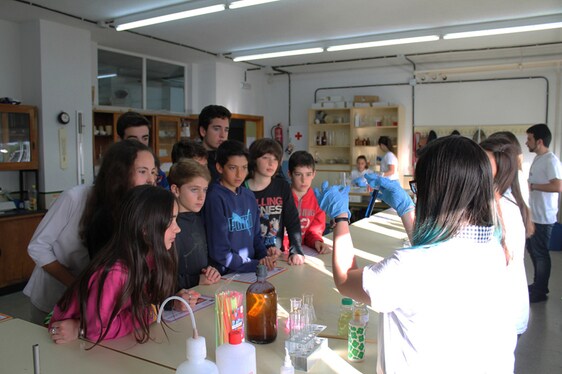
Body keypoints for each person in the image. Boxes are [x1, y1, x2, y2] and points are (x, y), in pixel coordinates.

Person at [317, 135, 516, 373]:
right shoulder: (492, 249)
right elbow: (437, 252)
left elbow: (346, 280)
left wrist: (340, 218)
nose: (417, 195)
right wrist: (405, 208)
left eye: (418, 187)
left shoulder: (407, 268)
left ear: (436, 194)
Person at [24, 140, 158, 325]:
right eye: (142, 171)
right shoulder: (75, 197)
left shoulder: (133, 207)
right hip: (54, 296)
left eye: (153, 172)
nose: (151, 180)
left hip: (94, 300)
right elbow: (37, 247)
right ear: (120, 173)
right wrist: (76, 284)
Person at [48, 185, 192, 345]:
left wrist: (168, 303)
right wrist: (148, 314)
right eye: (170, 220)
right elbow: (98, 330)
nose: (177, 229)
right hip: (70, 343)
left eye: (176, 219)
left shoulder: (152, 259)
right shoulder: (116, 273)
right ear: (144, 228)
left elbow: (149, 305)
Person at [481, 134, 534, 336]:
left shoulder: (499, 208)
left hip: (502, 314)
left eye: (484, 164)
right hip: (506, 309)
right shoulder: (500, 201)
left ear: (500, 171)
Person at [203, 140, 277, 274]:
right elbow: (220, 253)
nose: (239, 174)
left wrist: (264, 258)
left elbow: (256, 237)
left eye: (244, 167)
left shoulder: (248, 195)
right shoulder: (214, 197)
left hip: (251, 270)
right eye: (232, 168)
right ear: (220, 168)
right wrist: (256, 264)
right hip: (226, 275)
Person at [245, 139, 305, 266]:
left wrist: (296, 250)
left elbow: (292, 221)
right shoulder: (242, 189)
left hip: (276, 255)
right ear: (254, 160)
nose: (271, 163)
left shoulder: (282, 186)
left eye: (275, 159)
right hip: (249, 259)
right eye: (265, 157)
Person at [168, 159, 221, 289]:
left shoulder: (200, 219)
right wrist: (196, 280)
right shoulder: (167, 225)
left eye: (204, 190)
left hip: (201, 293)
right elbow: (163, 278)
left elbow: (204, 260)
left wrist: (212, 271)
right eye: (194, 190)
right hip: (177, 301)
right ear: (176, 190)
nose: (201, 197)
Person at [525, 123, 562, 303]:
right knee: (533, 250)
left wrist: (532, 186)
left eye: (529, 139)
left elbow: (557, 186)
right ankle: (538, 284)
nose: (526, 143)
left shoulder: (551, 160)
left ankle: (540, 290)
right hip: (534, 215)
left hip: (544, 217)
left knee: (540, 254)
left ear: (539, 141)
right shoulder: (539, 159)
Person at [284, 150, 331, 254]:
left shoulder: (318, 200)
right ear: (289, 174)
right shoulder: (281, 198)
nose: (303, 180)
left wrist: (317, 242)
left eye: (308, 174)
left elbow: (314, 231)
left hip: (303, 253)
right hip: (281, 252)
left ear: (314, 174)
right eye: (298, 174)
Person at [116, 111, 169, 189]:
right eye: (134, 139)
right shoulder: (112, 170)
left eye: (145, 138)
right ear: (120, 140)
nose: (140, 144)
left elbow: (167, 197)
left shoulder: (157, 171)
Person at [198, 105, 231, 182]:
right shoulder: (192, 159)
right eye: (216, 129)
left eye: (226, 130)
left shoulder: (230, 157)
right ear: (203, 131)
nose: (222, 135)